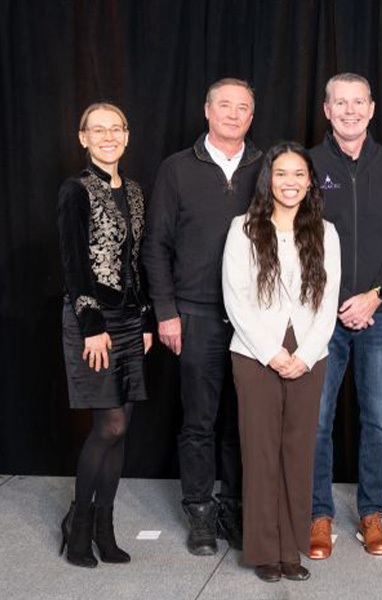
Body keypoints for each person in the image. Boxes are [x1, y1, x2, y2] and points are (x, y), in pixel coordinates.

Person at [143, 78, 263, 555]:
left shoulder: (267, 167)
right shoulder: (176, 169)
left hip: (253, 317)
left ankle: (234, 505)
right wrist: (166, 313)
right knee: (199, 419)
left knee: (241, 420)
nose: (234, 115)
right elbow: (156, 247)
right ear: (207, 110)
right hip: (195, 313)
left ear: (251, 117)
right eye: (226, 106)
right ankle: (199, 509)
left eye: (244, 108)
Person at [308, 73, 382, 558]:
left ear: (371, 109)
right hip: (321, 315)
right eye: (340, 103)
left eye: (358, 102)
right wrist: (333, 300)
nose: (350, 111)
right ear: (327, 110)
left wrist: (376, 294)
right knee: (317, 419)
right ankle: (318, 514)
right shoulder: (308, 165)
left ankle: (372, 513)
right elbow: (298, 240)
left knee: (377, 418)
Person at [223, 142, 340, 582]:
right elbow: (235, 297)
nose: (290, 182)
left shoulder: (326, 232)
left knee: (298, 451)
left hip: (310, 354)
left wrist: (305, 355)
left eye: (298, 174)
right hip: (255, 353)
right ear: (268, 179)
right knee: (260, 452)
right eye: (281, 174)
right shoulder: (244, 228)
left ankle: (291, 548)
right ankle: (263, 550)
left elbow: (328, 302)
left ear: (309, 181)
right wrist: (271, 353)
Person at [58, 102, 153, 568]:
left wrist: (148, 319)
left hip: (131, 321)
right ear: (83, 138)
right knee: (108, 425)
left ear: (127, 135)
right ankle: (78, 529)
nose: (108, 136)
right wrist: (91, 326)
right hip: (93, 321)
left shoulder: (133, 191)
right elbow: (75, 265)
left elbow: (137, 262)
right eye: (98, 129)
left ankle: (105, 527)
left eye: (115, 128)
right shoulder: (75, 190)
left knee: (123, 431)